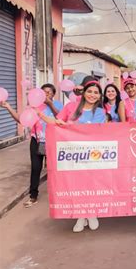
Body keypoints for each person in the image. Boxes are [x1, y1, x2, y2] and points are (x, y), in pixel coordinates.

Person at [39, 80, 106, 233]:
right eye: (89, 91)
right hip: (71, 155)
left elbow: (95, 134)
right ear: (83, 93)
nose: (92, 95)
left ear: (99, 96)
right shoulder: (70, 107)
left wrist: (70, 127)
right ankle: (80, 215)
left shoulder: (100, 112)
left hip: (91, 156)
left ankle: (91, 213)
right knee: (76, 185)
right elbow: (56, 123)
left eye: (96, 93)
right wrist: (40, 114)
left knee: (90, 186)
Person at [0, 83, 63, 207]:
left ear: (53, 94)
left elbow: (60, 117)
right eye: (43, 92)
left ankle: (58, 195)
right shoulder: (34, 106)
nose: (45, 94)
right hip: (37, 141)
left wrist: (50, 103)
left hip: (53, 142)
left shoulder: (58, 105)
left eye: (48, 92)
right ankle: (33, 196)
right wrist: (8, 107)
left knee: (55, 170)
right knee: (35, 169)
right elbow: (21, 120)